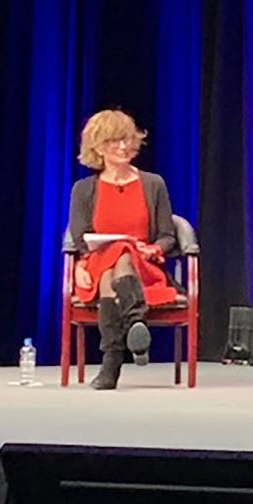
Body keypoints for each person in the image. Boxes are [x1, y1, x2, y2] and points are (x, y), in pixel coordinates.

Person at [69, 109, 180, 390]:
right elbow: (81, 237)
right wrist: (80, 265)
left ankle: (111, 363)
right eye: (113, 141)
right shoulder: (84, 189)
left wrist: (152, 249)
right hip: (97, 266)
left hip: (143, 267)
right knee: (116, 255)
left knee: (123, 253)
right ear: (98, 147)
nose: (123, 147)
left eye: (127, 140)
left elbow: (168, 236)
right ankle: (134, 324)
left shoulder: (153, 184)